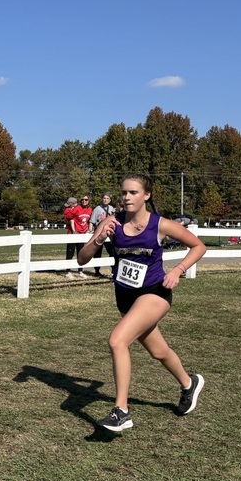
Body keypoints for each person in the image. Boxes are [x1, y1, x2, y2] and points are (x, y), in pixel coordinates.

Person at [77, 174, 207, 432]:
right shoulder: (110, 223)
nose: (126, 197)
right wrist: (100, 239)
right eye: (124, 192)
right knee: (158, 351)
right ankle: (188, 383)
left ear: (146, 195)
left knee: (117, 340)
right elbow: (82, 258)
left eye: (133, 192)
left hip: (155, 293)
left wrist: (177, 270)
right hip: (125, 298)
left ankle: (121, 411)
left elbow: (198, 247)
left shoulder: (160, 225)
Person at [64, 194, 93, 279]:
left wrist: (89, 230)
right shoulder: (77, 208)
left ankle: (80, 271)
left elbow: (90, 221)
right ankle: (68, 271)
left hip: (82, 235)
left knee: (81, 253)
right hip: (73, 234)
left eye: (86, 200)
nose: (84, 201)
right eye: (82, 199)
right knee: (70, 253)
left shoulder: (90, 210)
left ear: (89, 201)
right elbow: (68, 217)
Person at [89, 191, 116, 277]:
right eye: (104, 198)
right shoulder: (97, 209)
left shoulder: (112, 208)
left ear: (110, 200)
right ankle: (97, 271)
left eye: (107, 198)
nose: (105, 200)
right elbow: (92, 222)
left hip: (109, 233)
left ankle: (114, 270)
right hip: (99, 232)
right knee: (97, 252)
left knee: (112, 251)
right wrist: (90, 231)